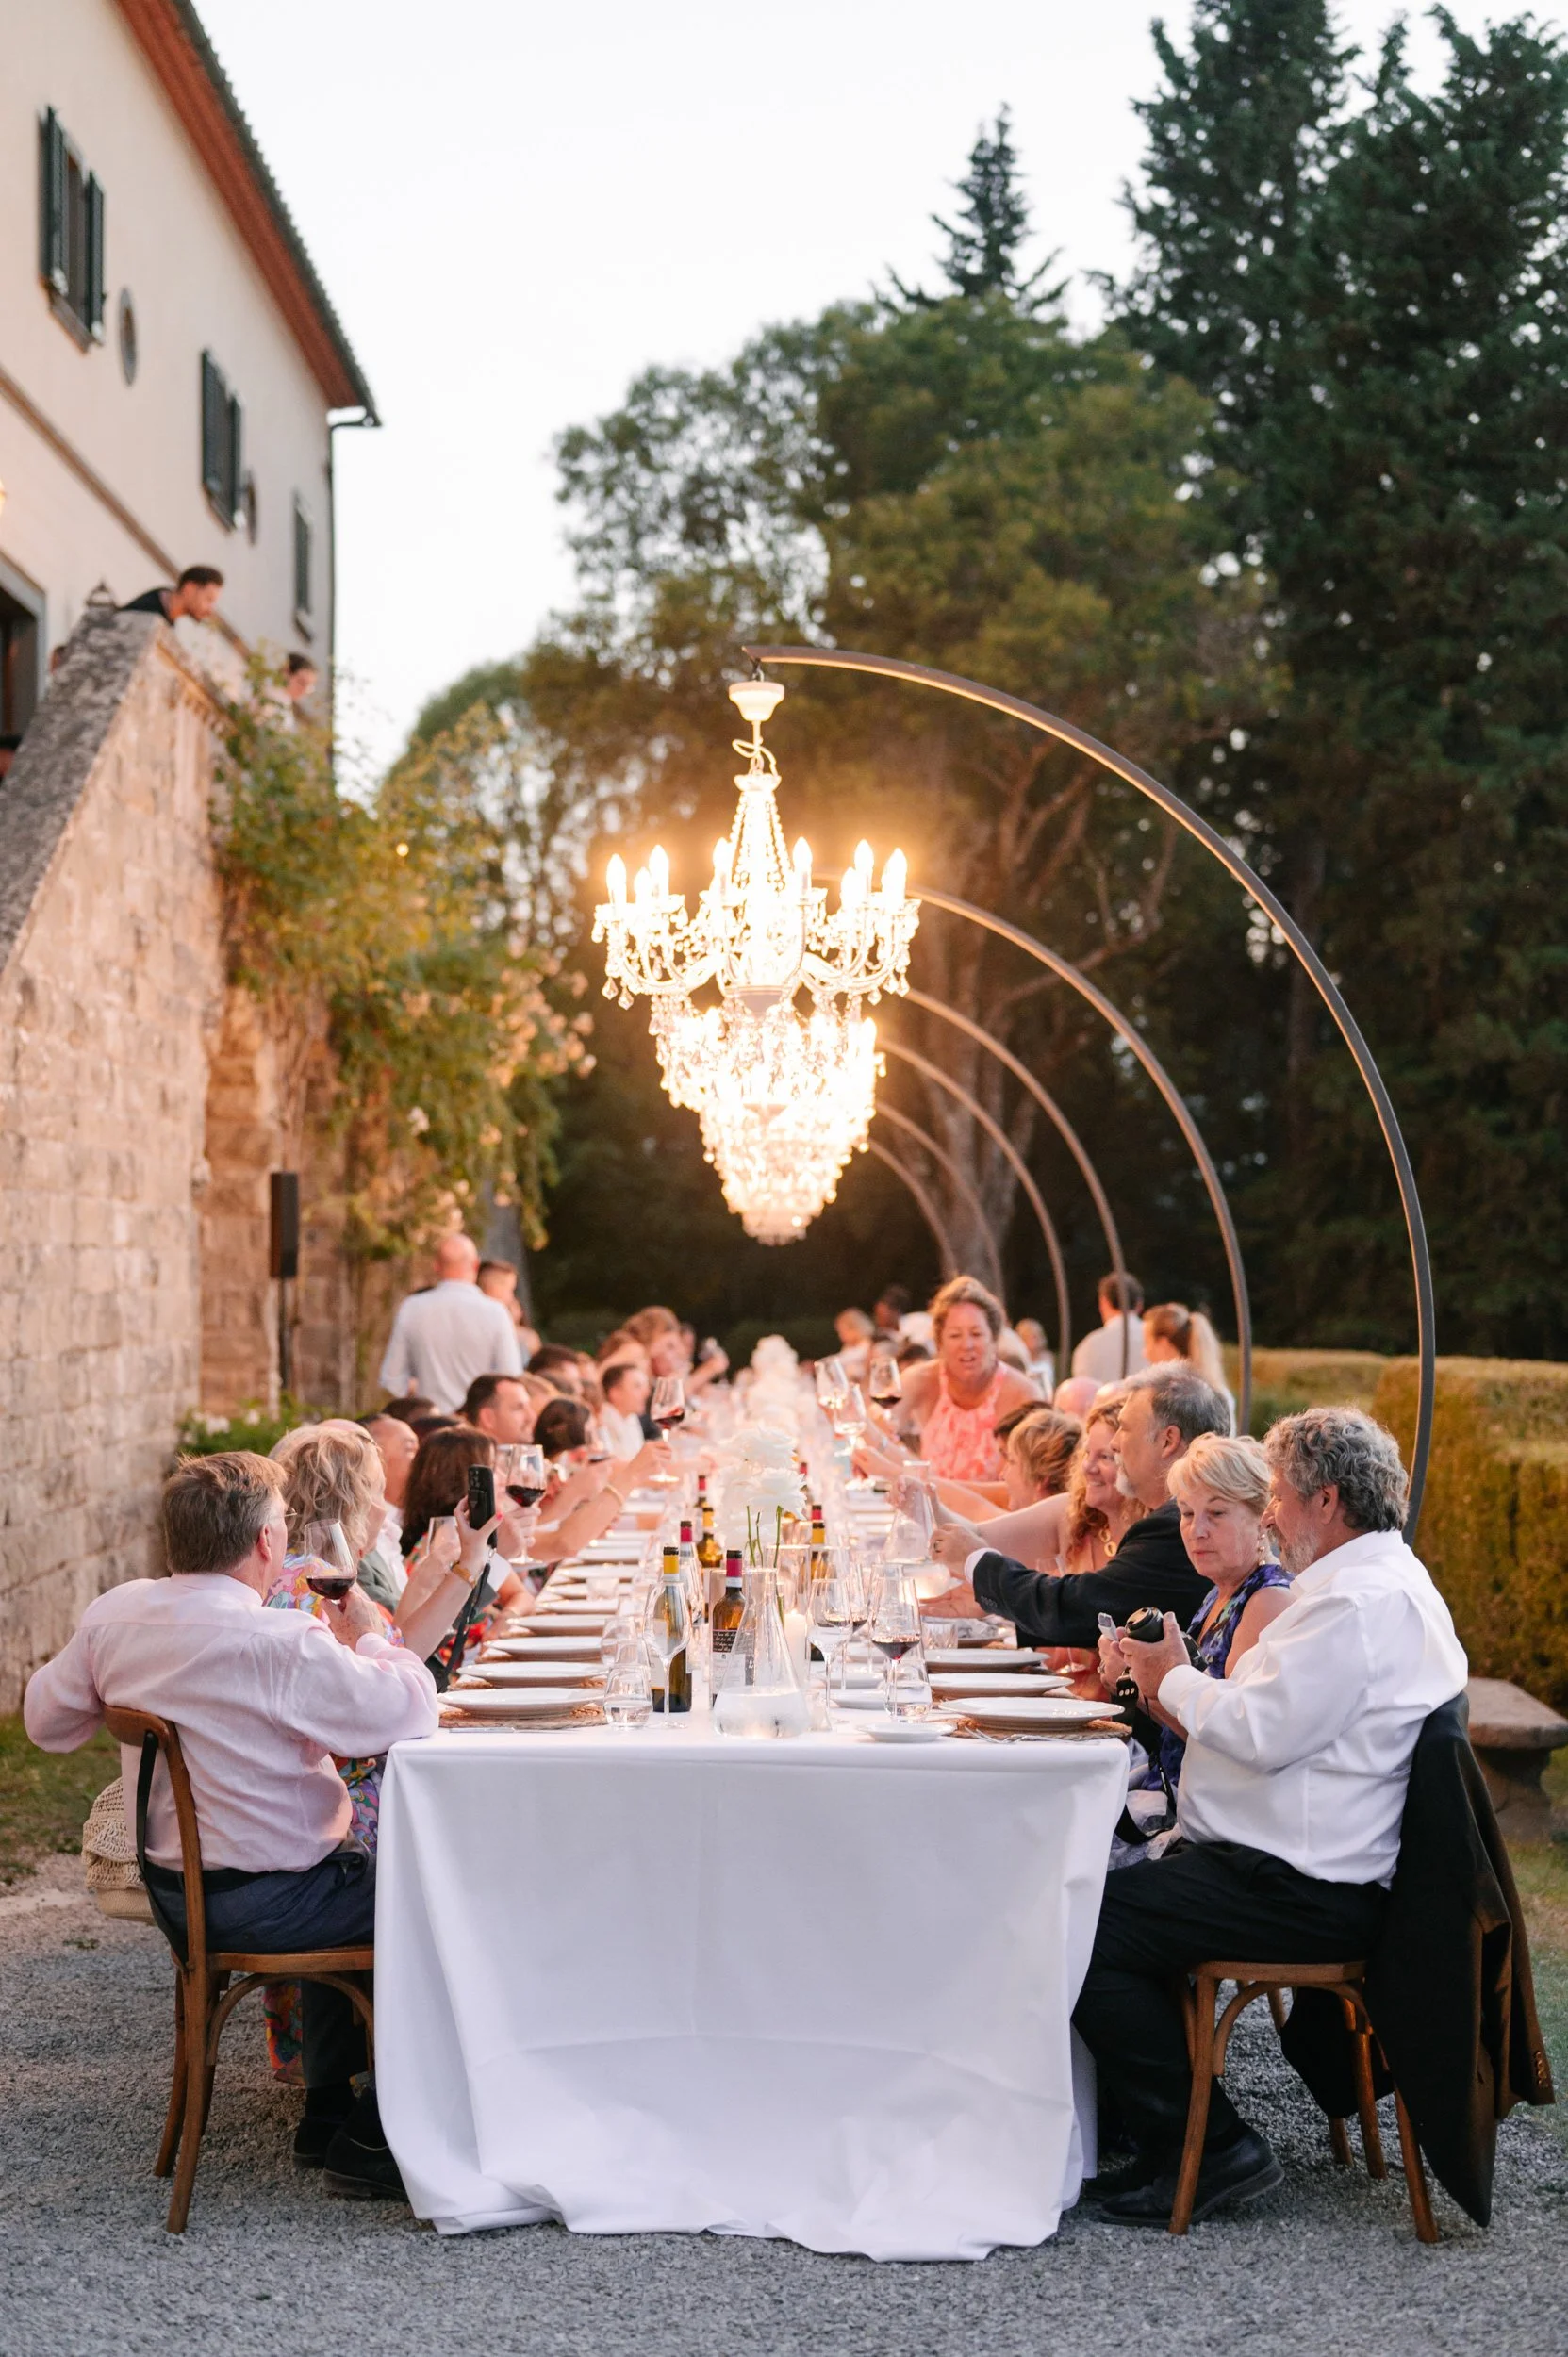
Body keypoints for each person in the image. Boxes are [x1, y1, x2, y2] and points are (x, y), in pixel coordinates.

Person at [1075, 1408, 1468, 2226]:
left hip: (1302, 1887)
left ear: (1325, 1502)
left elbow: (1257, 1732)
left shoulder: (1351, 1606)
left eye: (1279, 1495)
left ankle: (1211, 2149)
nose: (1273, 1511)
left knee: (1083, 1926)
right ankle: (1157, 2140)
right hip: (1295, 1864)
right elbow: (1271, 1722)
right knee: (1101, 1895)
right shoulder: (1381, 1585)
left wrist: (1168, 1674)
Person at [23, 1451, 437, 2197]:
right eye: (281, 1525)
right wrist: (370, 1633)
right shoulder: (278, 1641)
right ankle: (376, 2130)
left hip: (179, 1899)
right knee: (426, 1896)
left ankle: (325, 2107)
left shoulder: (115, 1615)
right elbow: (407, 1711)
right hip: (276, 1899)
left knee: (345, 1868)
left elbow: (46, 1725)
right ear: (266, 1545)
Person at [1107, 1432, 1293, 1851]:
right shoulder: (1220, 1592)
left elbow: (1226, 1747)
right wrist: (1133, 1681)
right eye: (1187, 1514)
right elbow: (1187, 1711)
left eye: (1217, 1513)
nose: (1197, 1531)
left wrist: (1148, 1685)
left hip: (1207, 1829)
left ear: (1261, 1517)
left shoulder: (1267, 1601)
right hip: (1172, 1793)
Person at [957, 1366, 1229, 1647]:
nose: (1115, 1442)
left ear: (1168, 1440)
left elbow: (1084, 1607)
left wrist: (977, 1564)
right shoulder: (1172, 1516)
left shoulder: (1175, 1524)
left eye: (1124, 1428)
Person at [898, 1276, 1040, 1485]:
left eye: (976, 1334)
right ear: (940, 1343)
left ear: (993, 1339)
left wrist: (940, 1492)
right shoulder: (922, 1379)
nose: (967, 1345)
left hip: (996, 1516)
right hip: (930, 1513)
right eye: (955, 1335)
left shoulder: (1024, 1393)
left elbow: (1029, 1486)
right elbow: (879, 1428)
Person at [378, 1233, 522, 1413]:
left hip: (429, 1425)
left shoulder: (412, 1308)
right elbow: (510, 1376)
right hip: (478, 1424)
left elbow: (392, 1379)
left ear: (436, 1265)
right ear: (476, 1264)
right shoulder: (496, 1312)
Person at [1144, 1300, 1235, 1428]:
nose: (1145, 1353)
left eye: (1147, 1343)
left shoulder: (1172, 1394)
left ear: (1163, 1344)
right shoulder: (1214, 1388)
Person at [360, 1412, 418, 1563]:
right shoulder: (362, 1533)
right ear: (373, 1458)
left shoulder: (417, 1519)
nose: (421, 1459)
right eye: (410, 1449)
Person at [1070, 1272, 1147, 1386]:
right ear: (1140, 1304)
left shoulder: (1089, 1345)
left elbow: (1082, 1391)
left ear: (1103, 1302)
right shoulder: (1157, 1339)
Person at [119, 565, 224, 623]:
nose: (210, 610)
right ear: (189, 589)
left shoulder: (165, 618)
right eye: (208, 599)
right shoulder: (148, 612)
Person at [460, 1371, 535, 1446]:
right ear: (488, 1418)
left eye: (530, 1407)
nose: (531, 1417)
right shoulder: (462, 1456)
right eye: (519, 1408)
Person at [599, 1359, 652, 1459]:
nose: (647, 1393)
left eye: (646, 1386)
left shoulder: (631, 1418)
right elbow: (610, 1467)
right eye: (637, 1386)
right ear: (615, 1393)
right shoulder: (602, 1422)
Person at [1015, 1316, 1056, 1394]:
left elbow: (1052, 1383)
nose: (1033, 1340)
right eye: (1029, 1336)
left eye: (1035, 1336)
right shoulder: (1018, 1359)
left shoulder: (1048, 1356)